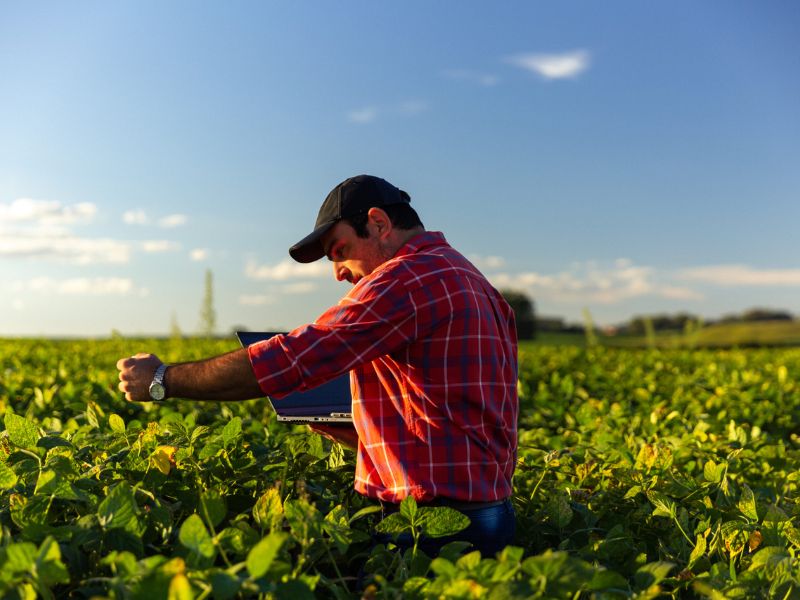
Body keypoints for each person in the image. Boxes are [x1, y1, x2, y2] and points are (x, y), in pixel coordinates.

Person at [117, 174, 519, 556]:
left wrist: (162, 378)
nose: (339, 272)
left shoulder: (409, 277)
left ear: (378, 223)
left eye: (339, 251)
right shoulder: (471, 278)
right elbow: (452, 417)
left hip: (432, 523)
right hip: (488, 511)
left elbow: (295, 358)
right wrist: (357, 427)